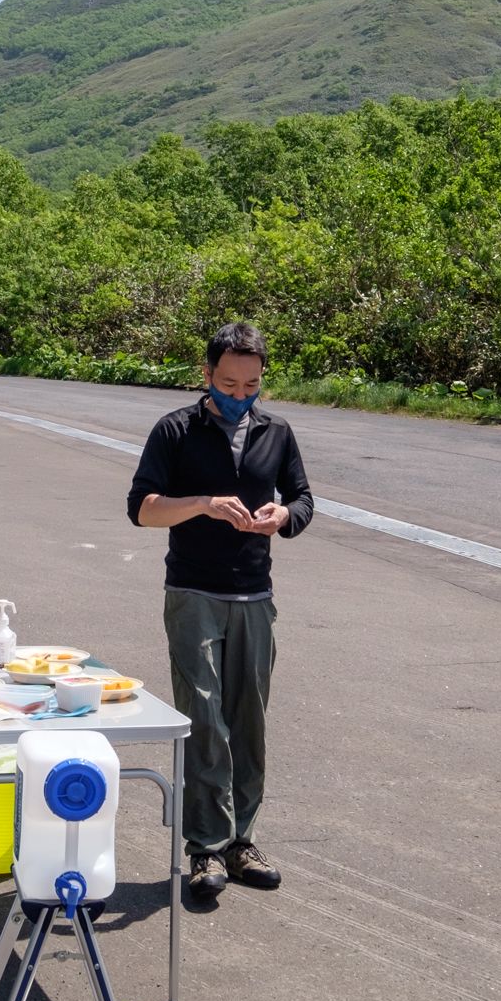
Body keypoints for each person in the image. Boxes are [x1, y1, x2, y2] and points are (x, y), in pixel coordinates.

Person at [126, 322, 314, 900]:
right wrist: (205, 505)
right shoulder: (175, 430)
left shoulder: (277, 432)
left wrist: (283, 518)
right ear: (206, 375)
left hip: (254, 595)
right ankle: (204, 848)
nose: (240, 395)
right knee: (204, 719)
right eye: (229, 384)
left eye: (252, 384)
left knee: (248, 720)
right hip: (193, 594)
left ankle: (241, 842)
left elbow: (304, 499)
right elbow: (142, 508)